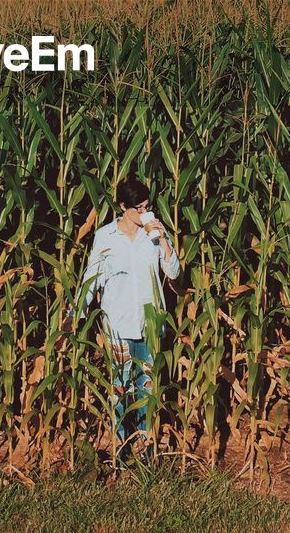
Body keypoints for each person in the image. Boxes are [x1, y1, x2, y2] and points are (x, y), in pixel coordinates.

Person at [70, 176, 180, 467]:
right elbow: (91, 278)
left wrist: (164, 240)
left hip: (150, 325)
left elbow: (174, 272)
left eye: (148, 206)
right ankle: (120, 450)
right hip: (118, 324)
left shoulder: (154, 234)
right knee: (119, 389)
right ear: (123, 207)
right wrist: (75, 315)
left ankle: (146, 450)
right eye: (139, 208)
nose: (145, 212)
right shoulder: (106, 237)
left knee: (147, 388)